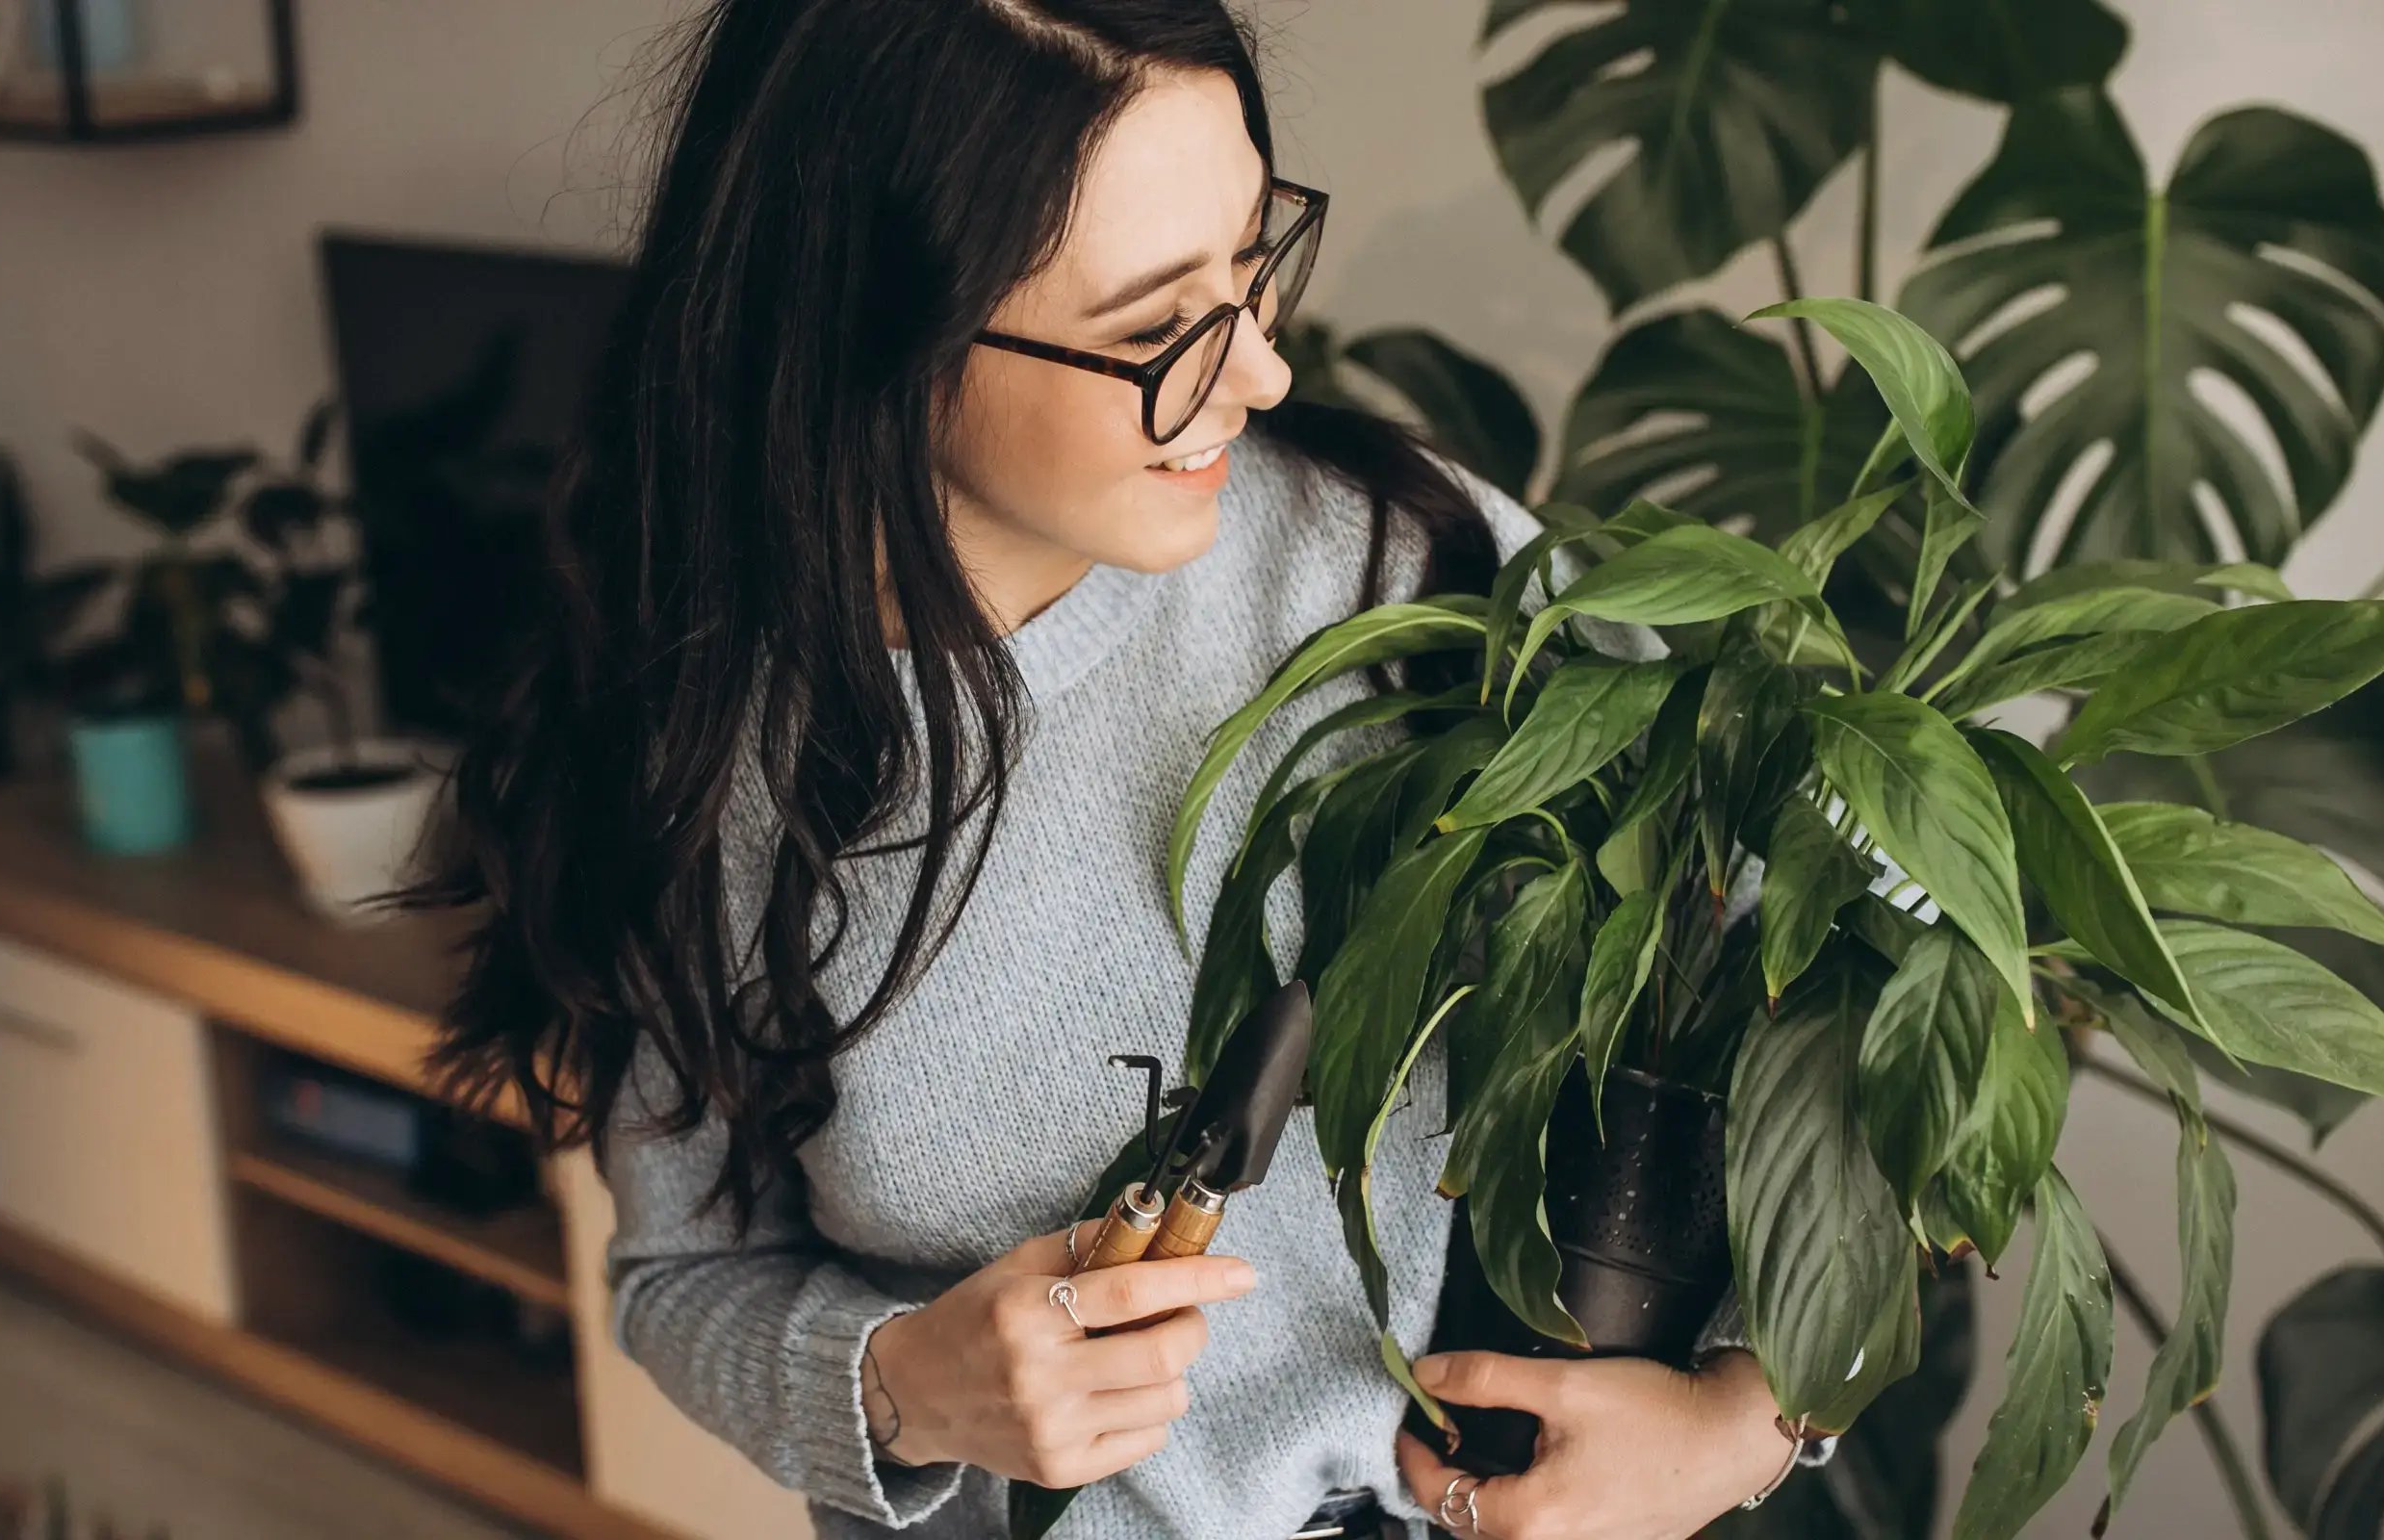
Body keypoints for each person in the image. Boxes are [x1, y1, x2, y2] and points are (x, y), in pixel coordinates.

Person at [408, 2, 1807, 1535]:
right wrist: (908, 1387)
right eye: (1156, 329)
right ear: (875, 332)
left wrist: (1750, 1419)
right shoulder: (687, 762)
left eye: (1251, 261)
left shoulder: (1411, 571)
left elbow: (1813, 980)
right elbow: (684, 1277)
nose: (1260, 376)